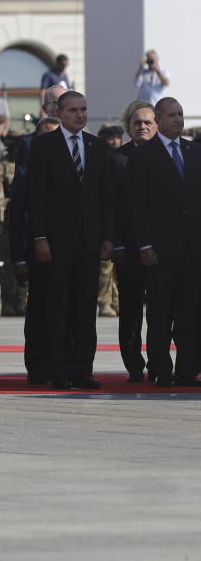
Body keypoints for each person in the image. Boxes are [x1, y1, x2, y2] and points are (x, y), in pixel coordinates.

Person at [27, 90, 113, 390]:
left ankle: (83, 370)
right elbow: (35, 197)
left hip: (89, 242)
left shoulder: (97, 146)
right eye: (74, 110)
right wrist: (40, 237)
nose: (80, 115)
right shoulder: (43, 146)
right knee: (58, 308)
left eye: (84, 109)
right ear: (60, 113)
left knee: (85, 309)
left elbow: (105, 197)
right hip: (56, 242)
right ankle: (59, 370)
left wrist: (107, 237)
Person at [126, 97, 201, 387]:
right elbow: (137, 205)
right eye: (172, 115)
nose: (179, 120)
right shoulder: (143, 155)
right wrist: (144, 244)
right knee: (159, 311)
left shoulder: (194, 152)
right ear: (159, 118)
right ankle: (160, 369)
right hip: (159, 248)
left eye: (181, 115)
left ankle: (186, 369)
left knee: (189, 310)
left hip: (192, 248)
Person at [8, 85, 66, 384]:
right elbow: (20, 202)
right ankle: (39, 365)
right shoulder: (30, 144)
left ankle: (66, 364)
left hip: (70, 241)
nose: (63, 107)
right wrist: (18, 254)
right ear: (46, 108)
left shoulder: (81, 143)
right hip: (38, 239)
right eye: (57, 103)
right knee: (40, 305)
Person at [108, 100, 155, 382]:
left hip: (164, 248)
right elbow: (112, 206)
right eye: (137, 122)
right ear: (128, 127)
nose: (143, 127)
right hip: (129, 249)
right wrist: (119, 244)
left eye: (148, 122)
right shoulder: (116, 159)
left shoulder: (168, 156)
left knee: (165, 309)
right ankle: (134, 365)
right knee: (131, 310)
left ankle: (162, 361)